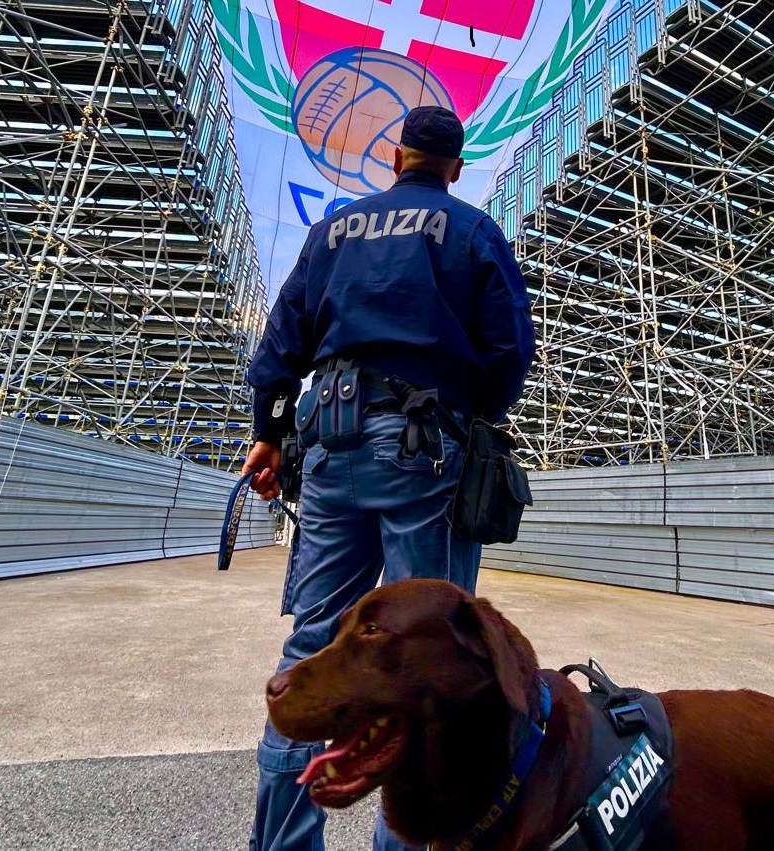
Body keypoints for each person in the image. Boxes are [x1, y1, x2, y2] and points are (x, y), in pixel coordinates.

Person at [240, 105, 536, 851]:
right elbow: (509, 350)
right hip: (425, 452)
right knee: (425, 660)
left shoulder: (333, 231)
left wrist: (267, 434)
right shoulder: (473, 231)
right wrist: (475, 414)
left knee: (313, 648)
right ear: (455, 168)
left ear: (396, 157)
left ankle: (282, 844)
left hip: (331, 442)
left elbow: (281, 340)